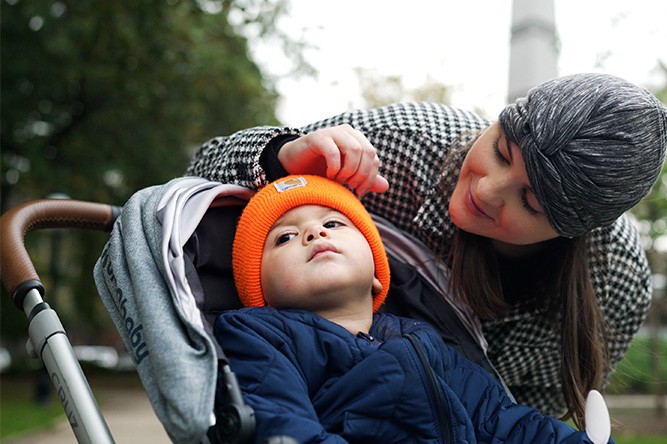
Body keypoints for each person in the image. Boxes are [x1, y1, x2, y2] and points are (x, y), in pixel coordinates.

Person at [188, 72, 667, 425]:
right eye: (501, 151)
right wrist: (280, 158)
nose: (485, 190)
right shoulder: (403, 144)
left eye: (528, 201)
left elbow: (526, 413)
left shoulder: (616, 286)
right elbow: (197, 172)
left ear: (572, 232)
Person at [216, 174, 613, 443]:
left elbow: (497, 418)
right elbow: (278, 414)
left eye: (334, 224)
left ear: (376, 275)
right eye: (284, 237)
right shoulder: (259, 333)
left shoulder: (420, 337)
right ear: (260, 289)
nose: (313, 232)